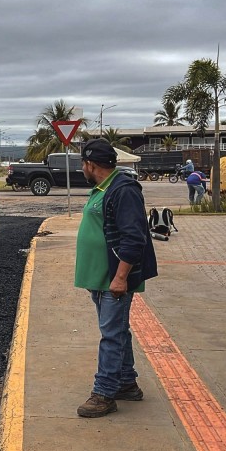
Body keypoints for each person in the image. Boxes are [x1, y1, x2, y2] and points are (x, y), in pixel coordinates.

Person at [74, 139, 158, 418]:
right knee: (117, 331)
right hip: (101, 279)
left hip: (113, 279)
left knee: (111, 335)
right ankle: (126, 383)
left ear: (90, 164)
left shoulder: (123, 190)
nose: (82, 169)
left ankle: (104, 393)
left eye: (83, 164)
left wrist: (121, 277)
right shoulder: (103, 188)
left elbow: (134, 238)